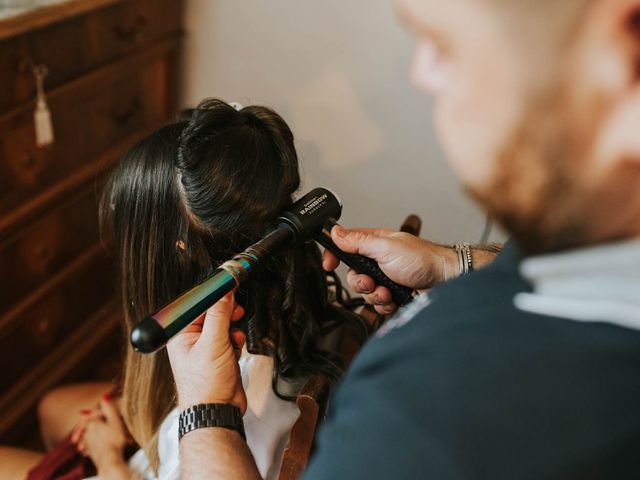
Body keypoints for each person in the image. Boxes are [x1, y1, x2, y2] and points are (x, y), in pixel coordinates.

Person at [162, 0, 640, 478]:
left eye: (443, 44)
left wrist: (207, 413)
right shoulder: (590, 252)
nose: (421, 73)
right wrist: (453, 264)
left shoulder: (420, 427)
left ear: (626, 49)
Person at [0, 99, 376, 480]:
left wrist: (108, 456)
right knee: (52, 406)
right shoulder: (290, 311)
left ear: (177, 251)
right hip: (173, 430)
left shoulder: (230, 424)